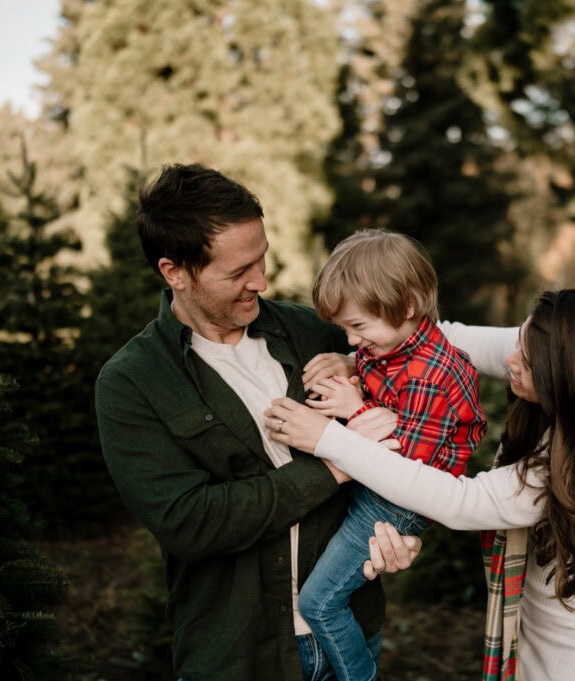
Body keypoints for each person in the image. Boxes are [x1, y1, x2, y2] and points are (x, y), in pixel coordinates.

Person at [94, 163, 417, 681]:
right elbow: (191, 523)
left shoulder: (315, 333)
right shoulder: (133, 381)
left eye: (261, 258)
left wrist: (399, 534)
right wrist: (338, 461)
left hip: (349, 633)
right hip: (237, 655)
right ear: (174, 271)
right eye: (237, 271)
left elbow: (409, 415)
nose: (260, 281)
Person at [265, 288, 575, 680]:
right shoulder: (569, 361)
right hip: (536, 631)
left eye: (526, 363)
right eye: (517, 341)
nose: (510, 359)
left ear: (567, 384)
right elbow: (440, 338)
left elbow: (458, 499)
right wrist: (360, 357)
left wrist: (329, 439)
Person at [291, 228, 486, 681]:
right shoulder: (395, 347)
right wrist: (351, 368)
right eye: (344, 330)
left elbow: (407, 467)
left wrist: (352, 409)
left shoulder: (431, 374)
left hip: (394, 502)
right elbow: (376, 371)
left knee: (318, 603)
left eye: (358, 328)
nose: (353, 341)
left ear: (408, 308)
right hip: (376, 490)